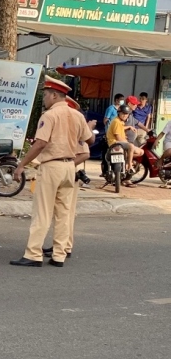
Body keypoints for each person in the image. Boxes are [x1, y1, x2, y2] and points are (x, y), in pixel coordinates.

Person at [10, 77, 94, 268]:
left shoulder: (49, 116)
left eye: (46, 95)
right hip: (69, 167)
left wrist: (22, 164)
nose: (45, 99)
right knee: (64, 213)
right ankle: (59, 255)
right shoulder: (77, 116)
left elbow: (40, 143)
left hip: (52, 166)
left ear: (55, 95)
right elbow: (89, 142)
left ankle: (33, 254)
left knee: (42, 212)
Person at [44, 96, 97, 260]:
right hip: (67, 173)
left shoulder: (74, 128)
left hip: (70, 174)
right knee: (62, 213)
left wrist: (67, 166)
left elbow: (85, 153)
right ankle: (61, 246)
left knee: (65, 213)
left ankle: (65, 246)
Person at [108, 104, 144, 182]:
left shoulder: (120, 121)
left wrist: (129, 127)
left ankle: (127, 160)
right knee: (131, 146)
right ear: (119, 113)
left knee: (141, 152)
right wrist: (127, 142)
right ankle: (129, 165)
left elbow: (120, 128)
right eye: (123, 113)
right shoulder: (117, 121)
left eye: (126, 114)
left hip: (118, 143)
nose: (125, 115)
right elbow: (118, 138)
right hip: (115, 143)